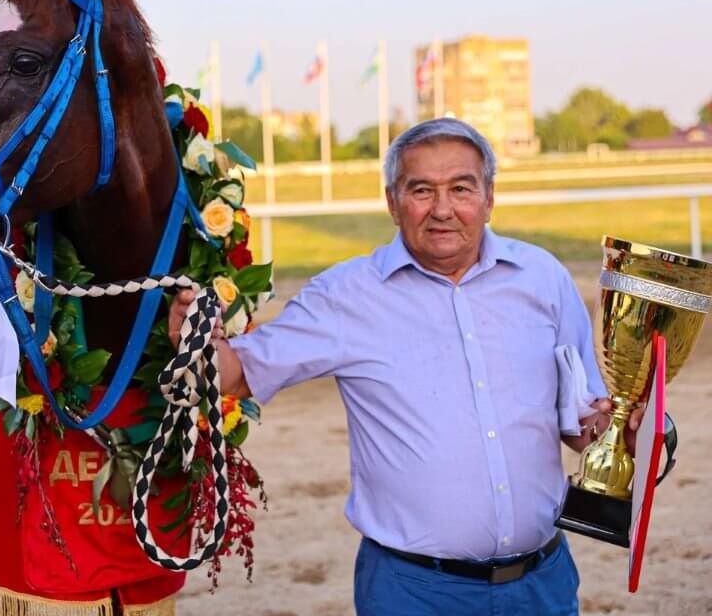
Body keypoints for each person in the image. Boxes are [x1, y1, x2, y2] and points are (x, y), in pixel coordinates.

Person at [170, 118, 640, 616]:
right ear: (393, 203)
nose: (442, 209)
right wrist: (195, 338)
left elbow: (581, 422)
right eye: (421, 190)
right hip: (411, 593)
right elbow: (237, 374)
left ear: (489, 197)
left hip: (541, 585)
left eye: (461, 188)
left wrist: (626, 435)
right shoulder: (345, 294)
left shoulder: (544, 278)